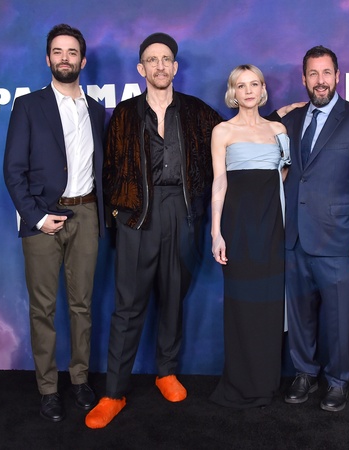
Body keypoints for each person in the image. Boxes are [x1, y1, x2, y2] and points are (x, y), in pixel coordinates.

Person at [85, 32, 222, 428]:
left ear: (175, 67)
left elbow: (236, 136)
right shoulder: (125, 114)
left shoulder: (198, 112)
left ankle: (166, 372)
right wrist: (117, 213)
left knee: (173, 297)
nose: (160, 66)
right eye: (152, 60)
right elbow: (108, 168)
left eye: (166, 59)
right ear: (141, 69)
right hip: (136, 217)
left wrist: (278, 119)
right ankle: (114, 393)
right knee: (128, 306)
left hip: (183, 212)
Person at [3, 24, 105, 422]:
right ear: (48, 59)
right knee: (42, 309)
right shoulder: (29, 106)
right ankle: (48, 388)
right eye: (58, 52)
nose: (65, 58)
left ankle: (79, 380)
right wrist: (37, 217)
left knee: (82, 305)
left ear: (83, 60)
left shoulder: (95, 109)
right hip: (43, 217)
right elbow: (13, 170)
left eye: (72, 52)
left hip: (87, 214)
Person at [275, 45, 349, 412]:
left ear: (337, 76)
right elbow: (253, 132)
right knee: (299, 314)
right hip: (294, 237)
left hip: (340, 238)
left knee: (338, 318)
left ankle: (337, 380)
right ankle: (304, 372)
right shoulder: (290, 120)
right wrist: (277, 112)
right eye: (313, 74)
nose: (320, 80)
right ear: (304, 79)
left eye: (326, 73)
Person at [208, 64, 289, 408]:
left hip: (273, 226)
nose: (249, 91)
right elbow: (219, 182)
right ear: (233, 93)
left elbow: (283, 172)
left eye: (254, 84)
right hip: (238, 227)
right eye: (241, 86)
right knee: (241, 304)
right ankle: (241, 383)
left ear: (262, 89)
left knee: (269, 305)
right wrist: (216, 232)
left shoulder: (278, 129)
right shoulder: (223, 131)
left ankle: (266, 384)